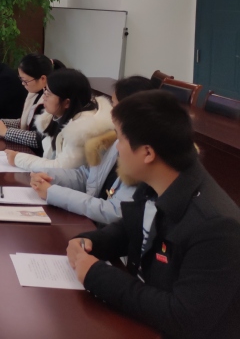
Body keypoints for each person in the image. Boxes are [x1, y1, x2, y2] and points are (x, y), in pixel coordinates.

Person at [67, 90, 240, 338]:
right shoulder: (160, 181)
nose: (116, 147)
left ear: (148, 153)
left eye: (120, 139)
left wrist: (96, 275)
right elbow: (131, 228)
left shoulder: (216, 226)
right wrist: (90, 242)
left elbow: (183, 317)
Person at [29, 76, 154, 225]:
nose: (111, 113)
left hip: (104, 229)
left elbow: (115, 212)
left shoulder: (142, 155)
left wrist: (53, 193)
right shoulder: (115, 140)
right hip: (91, 222)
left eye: (115, 105)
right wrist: (48, 175)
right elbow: (87, 176)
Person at [6, 69, 113, 171]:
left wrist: (18, 159)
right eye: (45, 91)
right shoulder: (58, 115)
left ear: (66, 103)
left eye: (48, 94)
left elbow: (61, 169)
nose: (44, 97)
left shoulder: (83, 131)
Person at [0, 54, 65, 155]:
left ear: (43, 79)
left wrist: (6, 132)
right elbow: (27, 123)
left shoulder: (49, 100)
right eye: (21, 80)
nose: (22, 84)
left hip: (38, 155)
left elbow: (39, 138)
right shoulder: (35, 93)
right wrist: (2, 123)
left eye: (25, 81)